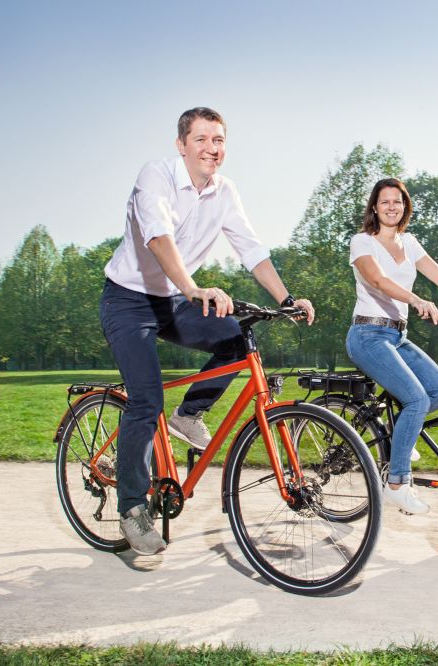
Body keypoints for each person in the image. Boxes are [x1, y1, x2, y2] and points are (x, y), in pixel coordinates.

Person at [100, 107, 314, 555]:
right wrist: (193, 287)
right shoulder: (155, 176)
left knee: (236, 338)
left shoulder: (225, 191)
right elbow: (158, 237)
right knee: (145, 399)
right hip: (128, 300)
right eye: (201, 139)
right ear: (181, 144)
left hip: (174, 301)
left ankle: (189, 415)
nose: (211, 149)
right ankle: (133, 509)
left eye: (218, 141)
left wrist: (285, 299)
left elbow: (251, 249)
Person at [345, 178, 438, 515]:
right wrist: (415, 299)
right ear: (374, 207)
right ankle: (397, 483)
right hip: (367, 335)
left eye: (398, 201)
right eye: (385, 202)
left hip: (397, 336)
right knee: (416, 398)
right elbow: (378, 281)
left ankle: (401, 437)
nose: (392, 207)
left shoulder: (409, 243)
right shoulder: (362, 242)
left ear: (405, 206)